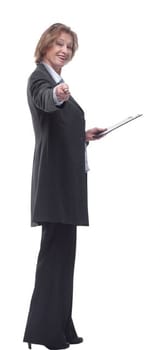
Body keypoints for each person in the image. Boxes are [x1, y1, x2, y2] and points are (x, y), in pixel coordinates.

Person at [23, 22, 107, 350]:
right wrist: (57, 96)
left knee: (64, 257)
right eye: (58, 43)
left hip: (65, 184)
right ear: (45, 45)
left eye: (69, 46)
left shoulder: (55, 79)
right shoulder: (41, 80)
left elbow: (58, 128)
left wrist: (83, 135)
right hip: (54, 185)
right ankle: (42, 332)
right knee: (53, 258)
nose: (64, 50)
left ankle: (61, 324)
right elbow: (45, 102)